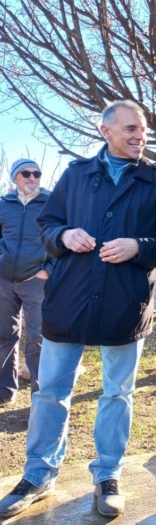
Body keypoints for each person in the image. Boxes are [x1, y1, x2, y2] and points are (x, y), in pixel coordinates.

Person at [0, 100, 156, 520]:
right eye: (131, 129)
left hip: (126, 303)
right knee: (50, 391)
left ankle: (108, 475)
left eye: (143, 130)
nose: (140, 136)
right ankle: (38, 475)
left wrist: (139, 247)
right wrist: (64, 236)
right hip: (69, 300)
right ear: (106, 131)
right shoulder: (76, 174)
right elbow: (47, 226)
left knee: (118, 393)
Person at [0, 159, 54, 405]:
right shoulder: (4, 204)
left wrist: (48, 270)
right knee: (4, 336)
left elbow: (61, 239)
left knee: (38, 338)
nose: (32, 178)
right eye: (26, 173)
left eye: (36, 173)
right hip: (4, 281)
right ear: (15, 178)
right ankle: (4, 390)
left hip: (36, 281)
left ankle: (40, 397)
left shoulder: (51, 203)